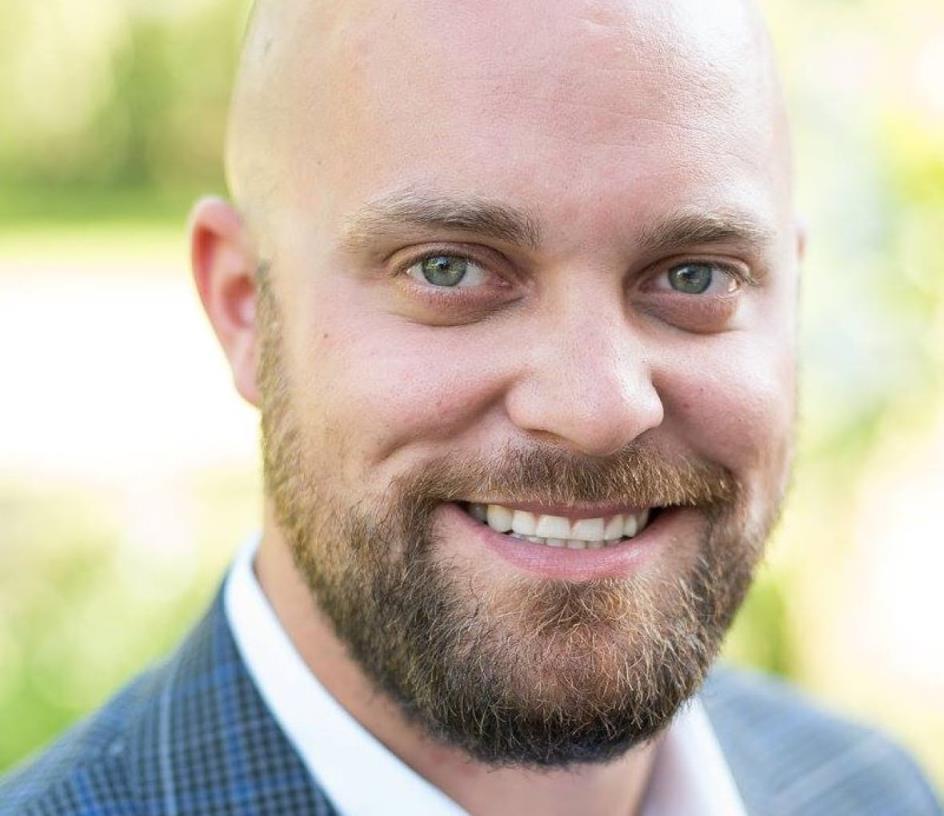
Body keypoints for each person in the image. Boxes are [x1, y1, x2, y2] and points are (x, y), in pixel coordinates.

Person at [2, 0, 942, 813]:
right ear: (246, 305)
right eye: (447, 268)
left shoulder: (873, 789)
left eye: (695, 276)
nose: (598, 407)